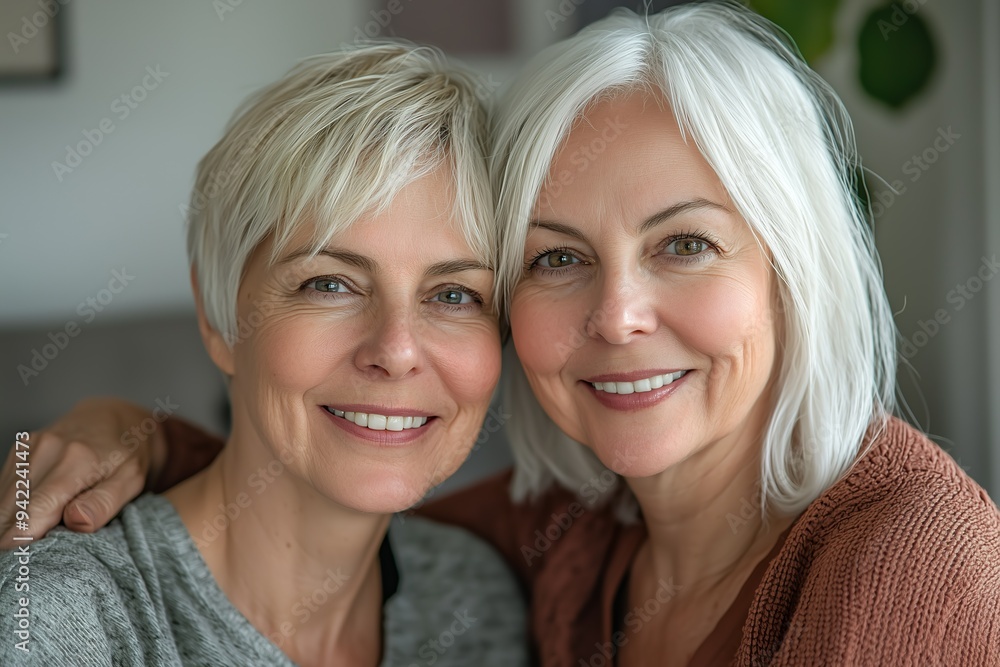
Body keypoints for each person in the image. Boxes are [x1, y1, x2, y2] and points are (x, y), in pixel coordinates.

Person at [4, 3, 999, 665]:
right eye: (557, 258)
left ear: (793, 273)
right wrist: (134, 437)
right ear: (219, 313)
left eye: (685, 243)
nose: (616, 315)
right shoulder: (546, 544)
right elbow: (312, 489)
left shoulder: (916, 568)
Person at [0, 43, 528, 666]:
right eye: (329, 284)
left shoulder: (475, 597)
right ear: (218, 317)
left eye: (454, 294)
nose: (396, 350)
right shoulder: (59, 614)